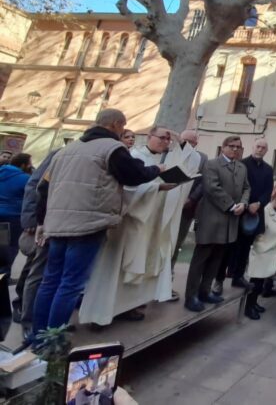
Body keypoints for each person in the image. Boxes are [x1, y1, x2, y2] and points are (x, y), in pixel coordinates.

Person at [32, 109, 164, 336]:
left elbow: (43, 188)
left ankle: (38, 335)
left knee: (50, 281)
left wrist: (42, 222)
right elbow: (133, 175)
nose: (124, 131)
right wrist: (157, 170)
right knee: (70, 284)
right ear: (115, 125)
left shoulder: (67, 150)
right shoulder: (112, 148)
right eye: (123, 127)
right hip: (87, 224)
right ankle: (52, 341)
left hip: (57, 224)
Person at [79, 125, 201, 325]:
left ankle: (131, 306)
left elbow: (192, 162)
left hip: (151, 221)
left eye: (168, 140)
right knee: (117, 269)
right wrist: (157, 187)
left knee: (144, 265)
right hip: (131, 223)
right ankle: (102, 314)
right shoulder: (134, 156)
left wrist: (180, 141)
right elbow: (125, 188)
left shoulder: (163, 160)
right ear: (149, 137)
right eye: (162, 138)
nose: (165, 142)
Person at [184, 136, 250, 312]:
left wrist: (243, 203)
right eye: (232, 146)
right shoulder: (212, 164)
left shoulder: (241, 167)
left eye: (238, 147)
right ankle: (191, 297)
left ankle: (205, 292)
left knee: (217, 259)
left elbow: (246, 188)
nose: (235, 149)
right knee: (201, 258)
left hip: (230, 221)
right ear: (223, 148)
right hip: (211, 219)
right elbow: (212, 188)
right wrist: (231, 205)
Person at [215, 138, 273, 294]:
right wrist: (246, 204)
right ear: (252, 147)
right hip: (239, 211)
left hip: (255, 214)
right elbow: (236, 187)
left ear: (266, 150)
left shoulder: (269, 169)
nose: (260, 149)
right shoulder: (242, 165)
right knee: (229, 247)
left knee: (246, 247)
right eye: (258, 146)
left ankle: (238, 276)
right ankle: (219, 280)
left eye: (263, 147)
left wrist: (259, 204)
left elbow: (268, 191)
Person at [17, 149, 60, 333]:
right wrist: (31, 219)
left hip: (58, 223)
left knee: (37, 270)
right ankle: (28, 321)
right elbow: (35, 185)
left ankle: (24, 308)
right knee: (36, 271)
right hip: (44, 223)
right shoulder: (62, 153)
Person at [245, 188, 276, 320]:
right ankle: (249, 307)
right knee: (255, 282)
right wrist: (261, 245)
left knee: (260, 282)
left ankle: (254, 304)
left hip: (271, 252)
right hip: (263, 251)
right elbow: (258, 231)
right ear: (272, 199)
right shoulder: (265, 211)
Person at [171, 130, 207, 271]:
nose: (187, 144)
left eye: (191, 142)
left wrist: (191, 199)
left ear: (196, 143)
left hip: (186, 209)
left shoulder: (202, 158)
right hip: (168, 205)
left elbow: (203, 181)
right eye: (184, 140)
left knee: (176, 244)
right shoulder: (170, 154)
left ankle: (169, 277)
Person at [0, 152, 32, 273]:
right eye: (29, 164)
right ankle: (4, 275)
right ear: (23, 165)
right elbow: (30, 199)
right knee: (8, 248)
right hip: (12, 217)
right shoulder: (25, 179)